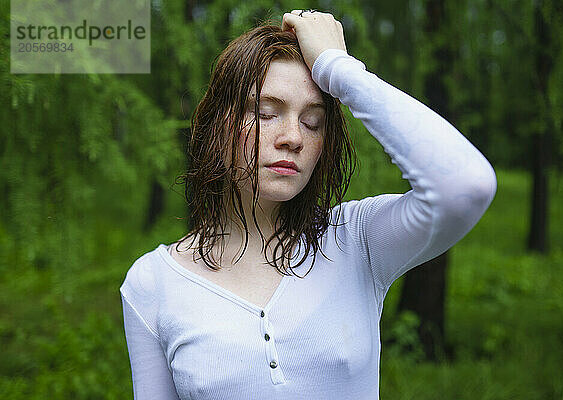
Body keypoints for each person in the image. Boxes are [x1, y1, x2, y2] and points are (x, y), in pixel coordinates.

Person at [120, 9, 497, 400]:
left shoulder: (355, 242)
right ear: (218, 124)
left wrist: (340, 70)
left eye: (313, 122)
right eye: (267, 113)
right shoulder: (153, 284)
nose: (292, 137)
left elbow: (465, 186)